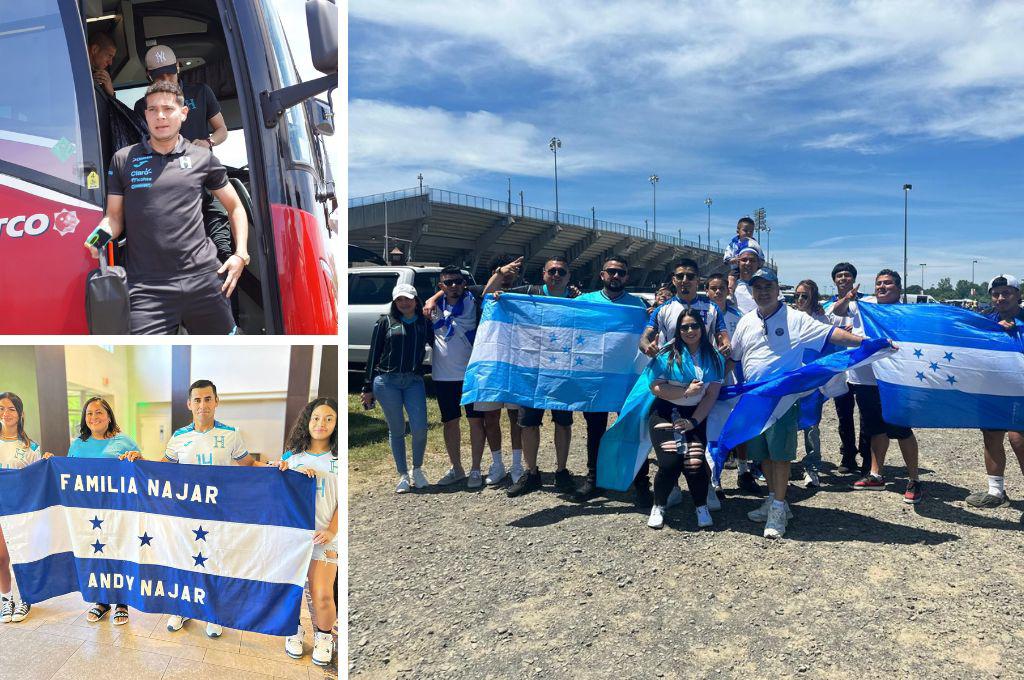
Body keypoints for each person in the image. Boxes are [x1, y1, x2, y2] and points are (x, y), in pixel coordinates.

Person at [89, 80, 249, 335]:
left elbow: (235, 206)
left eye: (167, 109)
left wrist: (240, 254)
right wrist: (99, 235)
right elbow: (114, 217)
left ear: (183, 114)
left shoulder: (203, 158)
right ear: (145, 115)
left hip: (203, 281)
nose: (160, 116)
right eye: (152, 110)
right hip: (147, 289)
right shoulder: (123, 159)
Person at [123, 379, 276, 636]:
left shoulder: (230, 434)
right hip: (185, 512)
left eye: (207, 399)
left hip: (218, 513)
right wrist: (140, 461)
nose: (202, 405)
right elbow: (164, 466)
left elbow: (248, 464)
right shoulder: (180, 436)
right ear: (189, 404)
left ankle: (211, 612)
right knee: (183, 559)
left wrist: (276, 469)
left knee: (214, 561)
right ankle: (183, 609)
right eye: (197, 400)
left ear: (216, 401)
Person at [729, 269, 870, 538]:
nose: (763, 292)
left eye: (768, 286)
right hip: (755, 401)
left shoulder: (795, 318)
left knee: (781, 457)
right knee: (765, 456)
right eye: (757, 287)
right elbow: (734, 357)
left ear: (777, 288)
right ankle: (773, 498)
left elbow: (832, 334)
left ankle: (780, 510)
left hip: (782, 401)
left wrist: (865, 342)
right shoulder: (746, 321)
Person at [132, 45, 234, 264]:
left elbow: (221, 130)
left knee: (222, 249)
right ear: (149, 76)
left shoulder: (200, 91)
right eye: (160, 76)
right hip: (171, 186)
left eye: (171, 72)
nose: (167, 79)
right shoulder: (143, 107)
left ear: (178, 66)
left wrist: (207, 142)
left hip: (206, 179)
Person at [44, 398, 141, 626]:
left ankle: (122, 602)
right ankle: (101, 601)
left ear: (109, 416)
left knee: (118, 552)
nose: (94, 417)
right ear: (84, 418)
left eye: (99, 412)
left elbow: (141, 472)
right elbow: (66, 475)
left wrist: (138, 457)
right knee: (95, 553)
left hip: (118, 510)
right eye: (89, 413)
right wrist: (51, 463)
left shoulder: (123, 441)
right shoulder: (78, 444)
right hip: (87, 512)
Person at [832, 270, 923, 503]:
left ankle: (914, 479)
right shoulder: (865, 304)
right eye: (879, 283)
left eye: (888, 283)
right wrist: (848, 297)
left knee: (901, 429)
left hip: (895, 379)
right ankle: (875, 474)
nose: (882, 287)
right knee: (875, 428)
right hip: (864, 379)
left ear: (899, 288)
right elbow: (838, 311)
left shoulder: (908, 313)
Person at [571, 256, 650, 504]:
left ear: (626, 277)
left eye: (621, 272)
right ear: (602, 275)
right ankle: (594, 479)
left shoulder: (638, 306)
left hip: (627, 379)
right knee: (595, 431)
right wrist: (503, 297)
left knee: (631, 429)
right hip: (595, 380)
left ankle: (640, 482)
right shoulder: (583, 302)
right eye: (611, 271)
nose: (615, 276)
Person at [500, 256, 580, 496]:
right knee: (528, 424)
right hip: (531, 372)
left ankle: (562, 471)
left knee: (563, 423)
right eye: (552, 271)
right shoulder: (528, 292)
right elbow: (488, 293)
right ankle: (532, 472)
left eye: (561, 272)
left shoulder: (577, 299)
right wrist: (500, 275)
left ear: (568, 277)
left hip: (563, 372)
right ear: (544, 274)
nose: (556, 275)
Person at [646, 309, 726, 530]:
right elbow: (656, 387)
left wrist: (694, 422)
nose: (690, 331)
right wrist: (685, 393)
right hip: (664, 411)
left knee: (694, 463)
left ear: (702, 328)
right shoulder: (666, 354)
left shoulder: (715, 358)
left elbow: (711, 395)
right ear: (678, 331)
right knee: (670, 462)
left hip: (694, 415)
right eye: (684, 327)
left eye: (694, 326)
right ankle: (658, 505)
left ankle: (700, 505)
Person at [280, 398, 338, 667]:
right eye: (316, 418)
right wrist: (286, 474)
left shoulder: (339, 459)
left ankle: (325, 635)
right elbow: (275, 492)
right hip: (294, 537)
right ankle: (294, 629)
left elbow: (343, 501)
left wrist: (331, 529)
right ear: (307, 421)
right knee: (290, 590)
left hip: (325, 536)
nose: (321, 424)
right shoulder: (293, 457)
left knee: (322, 593)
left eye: (328, 418)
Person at [361, 284, 434, 493]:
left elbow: (440, 343)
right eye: (400, 299)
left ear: (416, 299)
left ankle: (417, 469)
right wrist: (367, 386)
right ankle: (402, 474)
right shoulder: (385, 322)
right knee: (397, 429)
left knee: (419, 427)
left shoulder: (424, 323)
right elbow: (374, 354)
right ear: (394, 302)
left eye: (408, 298)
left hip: (413, 381)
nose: (404, 303)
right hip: (386, 381)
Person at [424, 266, 489, 489]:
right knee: (450, 423)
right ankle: (457, 467)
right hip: (443, 376)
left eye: (458, 282)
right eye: (448, 283)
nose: (454, 286)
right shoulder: (431, 308)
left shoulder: (475, 300)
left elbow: (495, 285)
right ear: (440, 286)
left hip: (471, 374)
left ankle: (476, 468)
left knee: (476, 423)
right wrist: (433, 298)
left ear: (465, 283)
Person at [966, 275, 1024, 508]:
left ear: (1018, 295)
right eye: (996, 293)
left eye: (1006, 292)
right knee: (991, 436)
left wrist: (1012, 333)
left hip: (1020, 390)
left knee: (1018, 439)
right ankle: (996, 492)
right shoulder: (985, 321)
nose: (1000, 298)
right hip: (990, 388)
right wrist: (992, 332)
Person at [823, 262, 871, 475]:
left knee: (865, 413)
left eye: (847, 275)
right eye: (839, 275)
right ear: (834, 280)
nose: (843, 278)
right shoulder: (826, 306)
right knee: (843, 414)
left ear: (854, 279)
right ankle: (848, 454)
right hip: (838, 367)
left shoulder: (866, 305)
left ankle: (867, 455)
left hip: (860, 367)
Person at [0, 392, 43, 624]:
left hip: (20, 509)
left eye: (10, 409)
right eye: (1, 408)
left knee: (22, 556)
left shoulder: (30, 446)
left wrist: (47, 462)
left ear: (20, 413)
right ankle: (6, 599)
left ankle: (26, 598)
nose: (5, 414)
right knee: (1, 557)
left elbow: (37, 478)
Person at [791, 280, 832, 487]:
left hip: (812, 381)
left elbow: (829, 346)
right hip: (792, 380)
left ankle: (812, 467)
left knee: (811, 425)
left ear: (813, 297)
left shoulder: (821, 319)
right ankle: (783, 463)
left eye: (804, 296)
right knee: (787, 422)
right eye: (796, 295)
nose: (799, 300)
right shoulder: (788, 317)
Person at [723, 217, 761, 295]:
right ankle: (730, 293)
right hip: (736, 268)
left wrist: (760, 262)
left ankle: (757, 292)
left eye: (751, 231)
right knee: (731, 277)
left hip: (754, 269)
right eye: (745, 231)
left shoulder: (755, 244)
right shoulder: (733, 244)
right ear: (738, 231)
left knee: (761, 277)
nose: (748, 233)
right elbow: (726, 258)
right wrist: (732, 260)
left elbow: (761, 256)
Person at [732, 245, 765, 315]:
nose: (748, 263)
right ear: (738, 263)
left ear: (758, 263)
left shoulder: (767, 287)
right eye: (744, 260)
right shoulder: (730, 288)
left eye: (752, 260)